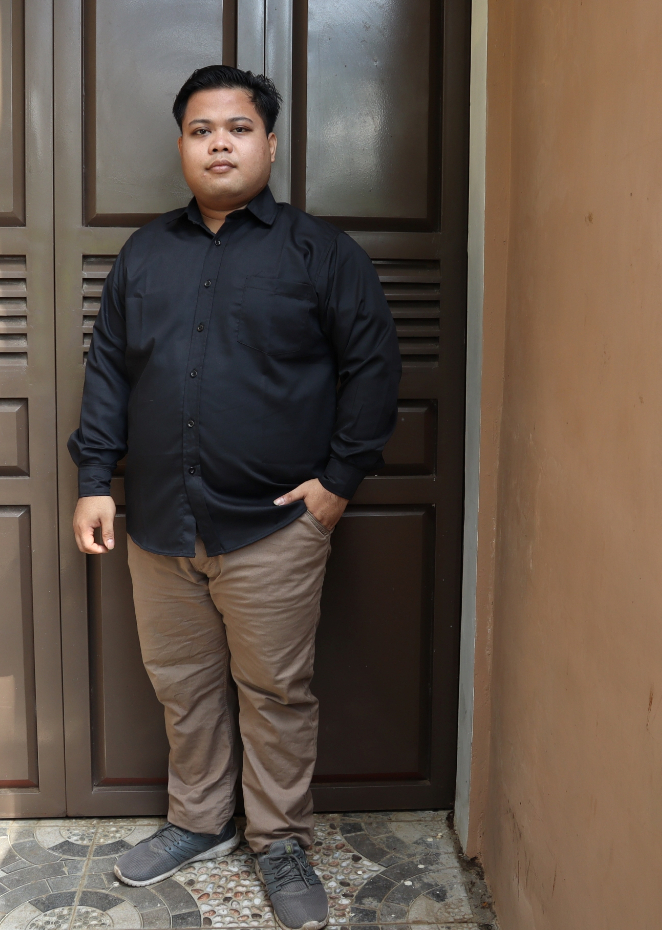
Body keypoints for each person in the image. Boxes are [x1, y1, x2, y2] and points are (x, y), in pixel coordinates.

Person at [68, 65, 401, 930]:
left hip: (276, 526)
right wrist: (95, 481)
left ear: (271, 145)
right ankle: (199, 820)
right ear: (182, 145)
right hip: (161, 524)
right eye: (201, 129)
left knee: (276, 692)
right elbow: (108, 373)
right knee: (183, 685)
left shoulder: (321, 253)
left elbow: (373, 369)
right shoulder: (145, 256)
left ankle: (279, 838)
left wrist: (337, 485)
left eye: (239, 128)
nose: (220, 143)